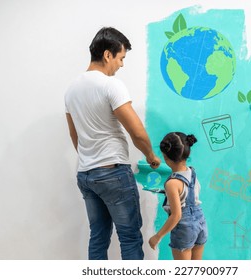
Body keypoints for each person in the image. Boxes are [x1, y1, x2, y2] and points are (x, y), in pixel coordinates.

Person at [64, 27, 161, 260]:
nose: (122, 65)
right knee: (129, 237)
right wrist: (150, 155)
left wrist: (91, 159)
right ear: (108, 55)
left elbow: (74, 135)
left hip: (86, 175)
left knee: (98, 236)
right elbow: (136, 132)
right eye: (121, 58)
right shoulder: (111, 85)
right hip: (113, 173)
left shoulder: (71, 90)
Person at [148, 132, 207, 260]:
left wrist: (157, 236)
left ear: (165, 157)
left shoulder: (172, 184)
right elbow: (188, 194)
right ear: (187, 152)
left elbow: (177, 215)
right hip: (201, 223)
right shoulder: (192, 172)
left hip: (185, 228)